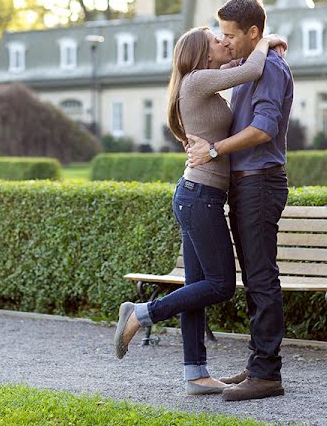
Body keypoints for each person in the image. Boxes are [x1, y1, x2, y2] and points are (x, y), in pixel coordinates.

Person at [114, 25, 285, 396]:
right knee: (220, 285)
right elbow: (252, 69)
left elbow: (240, 64)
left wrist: (254, 45)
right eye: (216, 40)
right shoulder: (195, 81)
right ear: (203, 55)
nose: (224, 42)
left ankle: (195, 373)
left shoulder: (204, 79)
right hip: (200, 196)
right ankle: (141, 314)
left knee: (197, 286)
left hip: (197, 195)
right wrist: (268, 40)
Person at [186, 0, 294, 402]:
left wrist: (215, 150)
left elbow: (264, 128)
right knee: (254, 278)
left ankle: (267, 374)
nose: (226, 42)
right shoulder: (252, 64)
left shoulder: (269, 69)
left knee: (262, 277)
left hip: (261, 182)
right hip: (248, 183)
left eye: (231, 35)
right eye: (222, 35)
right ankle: (257, 365)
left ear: (252, 33)